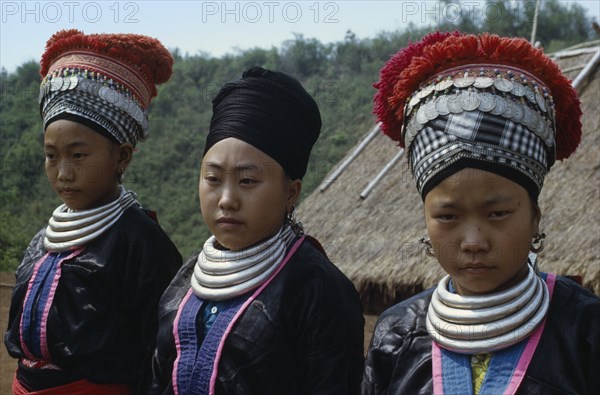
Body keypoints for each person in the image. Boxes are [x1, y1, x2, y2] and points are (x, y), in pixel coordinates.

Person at [361, 32, 600, 394]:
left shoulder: (585, 328)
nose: (473, 242)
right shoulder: (398, 333)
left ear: (535, 217)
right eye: (448, 216)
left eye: (498, 213)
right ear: (425, 219)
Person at [144, 66, 365, 394]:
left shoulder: (319, 291)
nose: (227, 200)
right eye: (213, 179)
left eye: (247, 181)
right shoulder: (185, 280)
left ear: (291, 192)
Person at [4, 29, 182, 394]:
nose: (63, 172)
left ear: (122, 156)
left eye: (79, 155)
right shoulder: (45, 240)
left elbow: (162, 354)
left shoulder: (143, 244)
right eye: (51, 156)